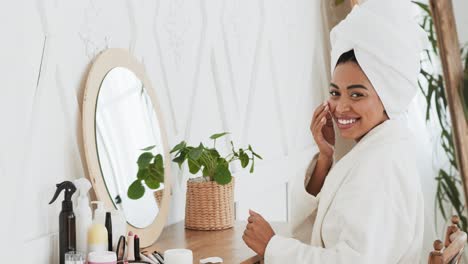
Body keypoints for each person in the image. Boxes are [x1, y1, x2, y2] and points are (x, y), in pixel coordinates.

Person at [242, 0, 429, 262]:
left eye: (357, 94)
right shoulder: (376, 149)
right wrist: (324, 158)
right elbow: (318, 231)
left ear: (388, 96)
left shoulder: (383, 166)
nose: (341, 107)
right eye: (334, 92)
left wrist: (272, 247)